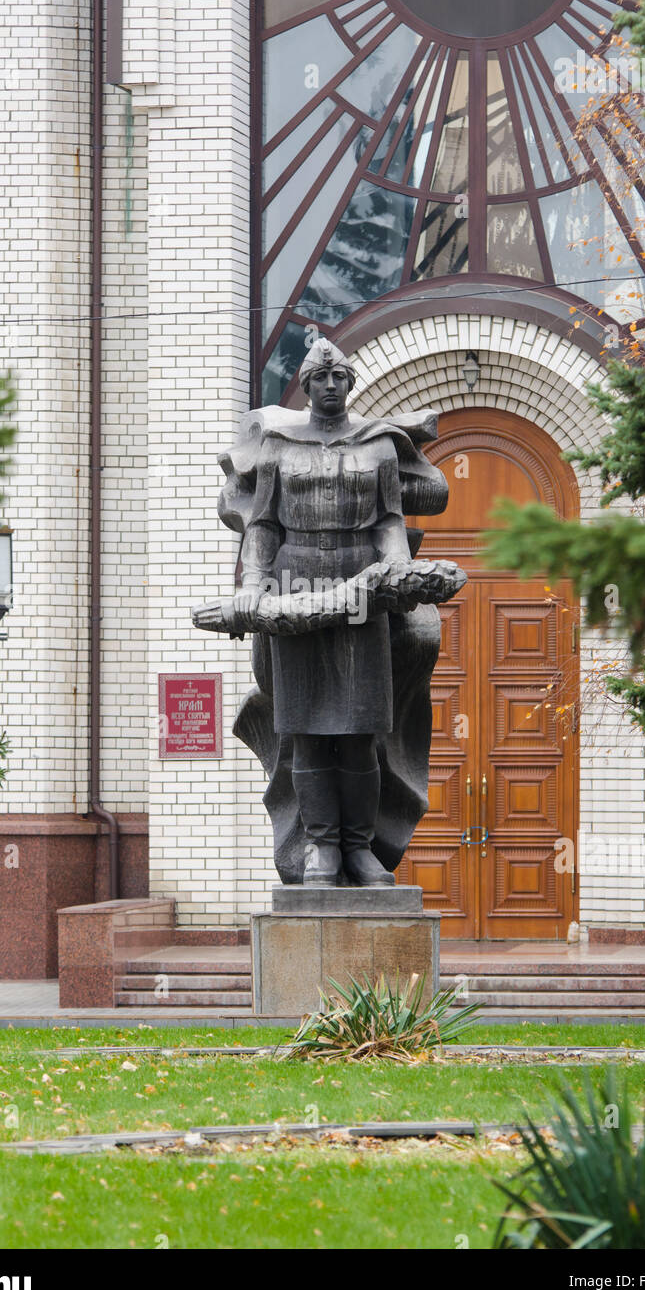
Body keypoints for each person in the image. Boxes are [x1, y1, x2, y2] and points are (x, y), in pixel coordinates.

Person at [218, 338, 449, 887]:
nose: (328, 386)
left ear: (350, 383)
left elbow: (389, 522)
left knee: (360, 730)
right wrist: (253, 584)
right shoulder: (277, 445)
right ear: (304, 384)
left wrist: (396, 568)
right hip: (294, 590)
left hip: (361, 589)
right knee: (308, 732)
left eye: (338, 377)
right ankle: (321, 847)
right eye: (318, 378)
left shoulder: (378, 447)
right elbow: (264, 526)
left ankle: (359, 848)